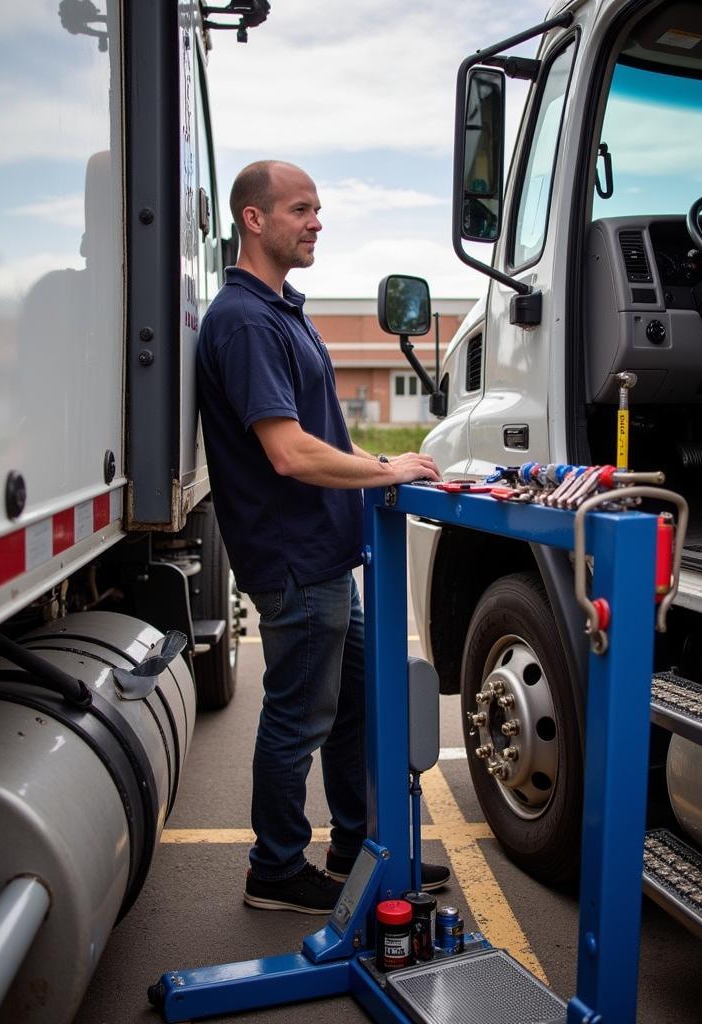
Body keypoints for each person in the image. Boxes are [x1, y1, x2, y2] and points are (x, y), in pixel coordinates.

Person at [195, 159, 448, 914]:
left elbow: (316, 436)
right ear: (255, 219)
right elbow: (287, 451)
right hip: (295, 560)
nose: (316, 222)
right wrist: (385, 470)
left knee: (355, 707)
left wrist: (373, 464)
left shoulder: (280, 312)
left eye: (317, 209)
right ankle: (274, 869)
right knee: (298, 717)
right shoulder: (243, 321)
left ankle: (353, 845)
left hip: (325, 556)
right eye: (301, 209)